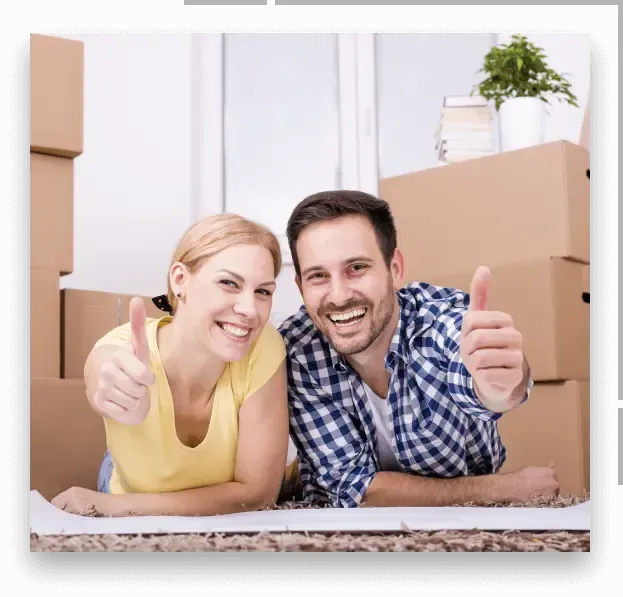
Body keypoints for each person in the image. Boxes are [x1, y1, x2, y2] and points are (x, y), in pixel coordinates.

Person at [278, 190, 560, 509]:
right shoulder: (297, 350)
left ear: (395, 269)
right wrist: (497, 488)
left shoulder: (441, 322)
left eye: (356, 267)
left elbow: (487, 388)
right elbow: (354, 489)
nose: (339, 295)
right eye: (318, 276)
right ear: (301, 287)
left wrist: (500, 385)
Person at [52, 214, 293, 517]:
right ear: (180, 280)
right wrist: (118, 392)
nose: (250, 310)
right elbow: (105, 373)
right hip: (131, 484)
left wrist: (115, 507)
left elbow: (257, 494)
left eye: (263, 292)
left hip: (130, 501)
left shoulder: (264, 347)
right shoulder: (123, 349)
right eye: (229, 283)